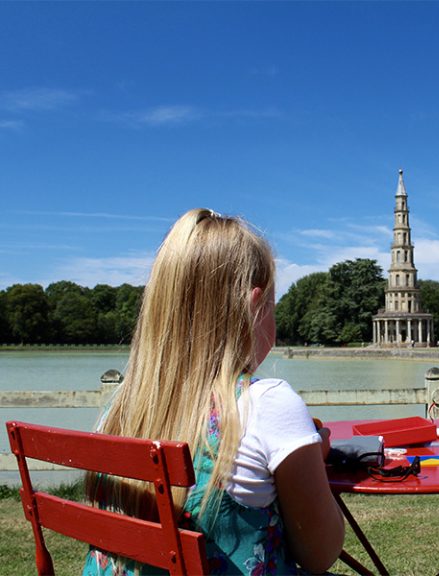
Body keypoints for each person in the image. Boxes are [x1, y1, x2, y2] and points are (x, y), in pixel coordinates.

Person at [82, 208, 345, 575]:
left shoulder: (122, 407)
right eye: (273, 304)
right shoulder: (267, 403)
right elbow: (320, 554)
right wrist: (310, 460)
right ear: (254, 306)